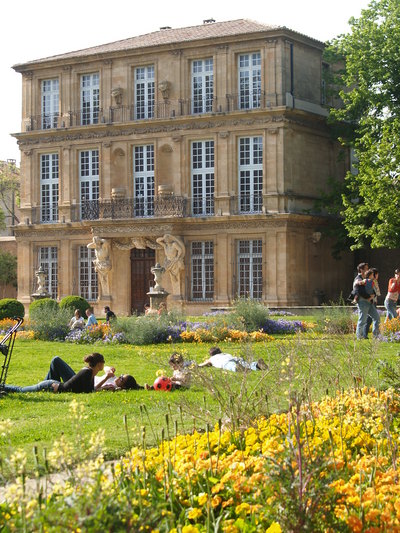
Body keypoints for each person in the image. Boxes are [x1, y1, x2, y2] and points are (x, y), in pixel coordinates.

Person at [2, 355, 146, 394]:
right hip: (51, 386)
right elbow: (86, 388)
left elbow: (89, 390)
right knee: (20, 390)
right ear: (99, 365)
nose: (119, 377)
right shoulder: (86, 373)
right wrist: (107, 379)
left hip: (53, 386)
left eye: (121, 378)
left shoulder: (89, 374)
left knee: (23, 390)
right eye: (120, 376)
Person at [353, 263, 380, 339]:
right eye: (366, 268)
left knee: (377, 318)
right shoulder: (358, 279)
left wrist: (373, 295)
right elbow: (358, 290)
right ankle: (359, 337)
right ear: (361, 270)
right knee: (363, 320)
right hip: (363, 302)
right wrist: (368, 297)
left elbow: (373, 290)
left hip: (370, 302)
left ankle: (376, 336)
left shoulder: (369, 279)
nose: (368, 270)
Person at [198, 346, 268, 372]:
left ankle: (237, 368)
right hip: (235, 358)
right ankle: (257, 365)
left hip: (225, 362)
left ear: (211, 354)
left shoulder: (212, 358)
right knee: (247, 364)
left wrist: (196, 366)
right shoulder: (225, 354)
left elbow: (203, 364)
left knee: (231, 366)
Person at [364, 268, 380, 337]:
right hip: (371, 301)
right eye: (376, 274)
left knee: (371, 319)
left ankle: (366, 334)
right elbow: (376, 292)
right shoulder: (372, 282)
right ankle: (366, 334)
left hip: (373, 301)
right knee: (369, 319)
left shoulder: (373, 281)